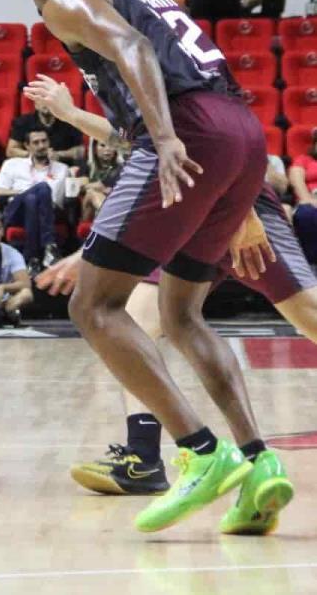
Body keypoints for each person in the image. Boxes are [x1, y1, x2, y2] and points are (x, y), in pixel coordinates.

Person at [21, 0, 274, 534]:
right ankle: (259, 463)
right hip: (242, 131)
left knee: (94, 307)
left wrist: (163, 139)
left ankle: (197, 451)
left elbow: (134, 52)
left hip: (188, 130)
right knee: (181, 316)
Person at [38, 186, 308, 533]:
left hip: (231, 197)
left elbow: (217, 145)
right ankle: (155, 455)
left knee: (306, 311)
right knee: (156, 318)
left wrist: (245, 213)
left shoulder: (172, 134)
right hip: (193, 206)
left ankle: (207, 454)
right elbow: (141, 156)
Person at [0, 129, 66, 271]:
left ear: (49, 143)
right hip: (16, 212)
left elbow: (56, 201)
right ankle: (49, 245)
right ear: (27, 146)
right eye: (36, 142)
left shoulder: (61, 169)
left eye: (44, 141)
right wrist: (22, 192)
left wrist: (31, 195)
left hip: (46, 213)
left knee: (32, 199)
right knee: (41, 188)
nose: (41, 145)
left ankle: (32, 259)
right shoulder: (13, 164)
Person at [6, 103, 84, 162]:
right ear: (36, 103)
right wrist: (34, 155)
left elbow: (81, 151)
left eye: (49, 99)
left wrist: (59, 154)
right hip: (30, 167)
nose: (46, 102)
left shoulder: (69, 121)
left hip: (62, 167)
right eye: (42, 98)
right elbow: (10, 151)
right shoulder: (23, 122)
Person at [288, 132, 317, 262]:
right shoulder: (304, 160)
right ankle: (310, 263)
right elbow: (296, 179)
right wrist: (308, 199)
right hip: (310, 200)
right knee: (306, 214)